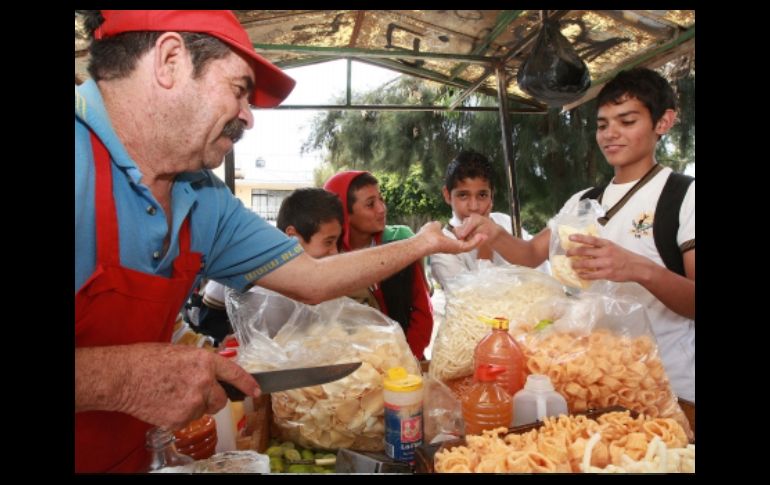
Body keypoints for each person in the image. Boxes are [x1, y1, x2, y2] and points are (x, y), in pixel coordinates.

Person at [74, 10, 483, 472]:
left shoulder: (202, 196)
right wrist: (120, 378)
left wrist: (424, 243)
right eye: (238, 90)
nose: (247, 117)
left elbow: (312, 278)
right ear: (169, 61)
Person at [455, 67, 694, 402]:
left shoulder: (683, 197)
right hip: (594, 381)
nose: (611, 134)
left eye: (627, 122)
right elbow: (529, 254)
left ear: (663, 122)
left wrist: (638, 268)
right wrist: (493, 234)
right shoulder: (583, 201)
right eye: (602, 124)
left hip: (667, 386)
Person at [201, 187, 345, 339]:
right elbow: (208, 319)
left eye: (337, 242)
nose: (335, 252)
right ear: (293, 237)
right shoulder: (251, 260)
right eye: (328, 242)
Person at [324, 171, 434, 360]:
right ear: (344, 214)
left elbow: (423, 310)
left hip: (408, 361)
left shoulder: (399, 244)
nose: (382, 209)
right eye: (370, 204)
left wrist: (407, 358)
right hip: (358, 368)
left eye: (381, 200)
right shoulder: (330, 260)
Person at [429, 149, 549, 290]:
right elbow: (475, 301)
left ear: (492, 195)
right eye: (463, 195)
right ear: (448, 195)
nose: (473, 207)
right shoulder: (443, 248)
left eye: (482, 195)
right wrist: (485, 241)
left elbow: (539, 267)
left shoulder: (505, 222)